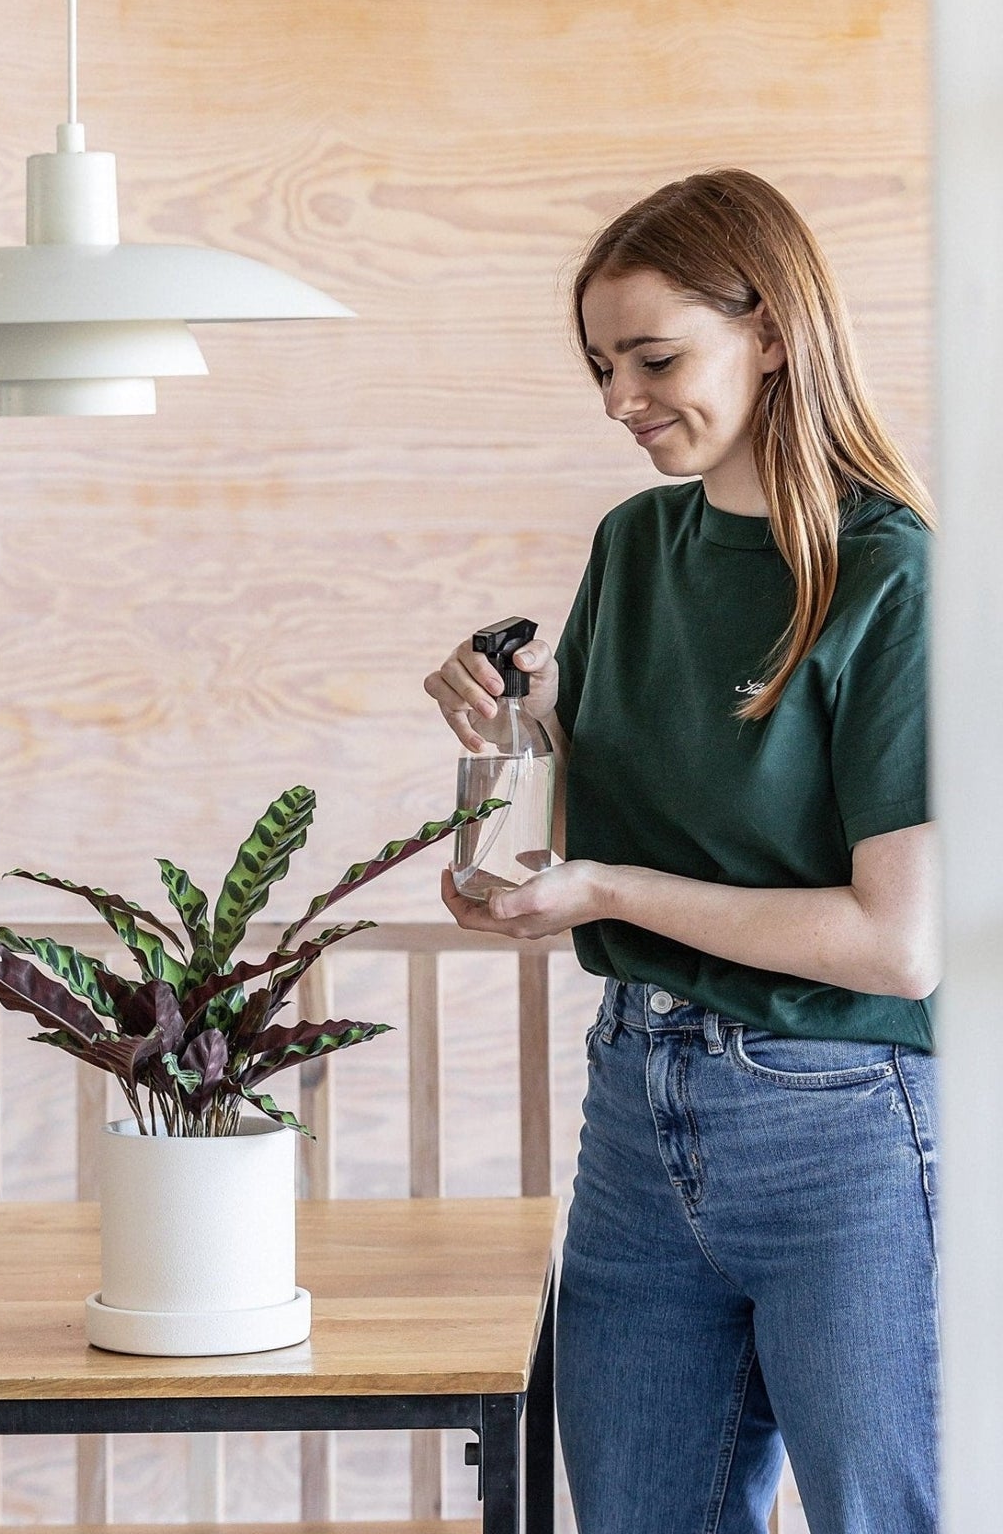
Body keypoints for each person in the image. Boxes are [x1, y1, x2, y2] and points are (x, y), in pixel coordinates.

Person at [425, 169, 937, 1534]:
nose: (619, 400)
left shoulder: (900, 576)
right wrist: (505, 721)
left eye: (655, 358)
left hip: (846, 1126)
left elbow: (898, 940)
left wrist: (604, 892)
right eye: (602, 367)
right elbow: (619, 783)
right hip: (638, 1107)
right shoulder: (635, 545)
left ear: (772, 330)